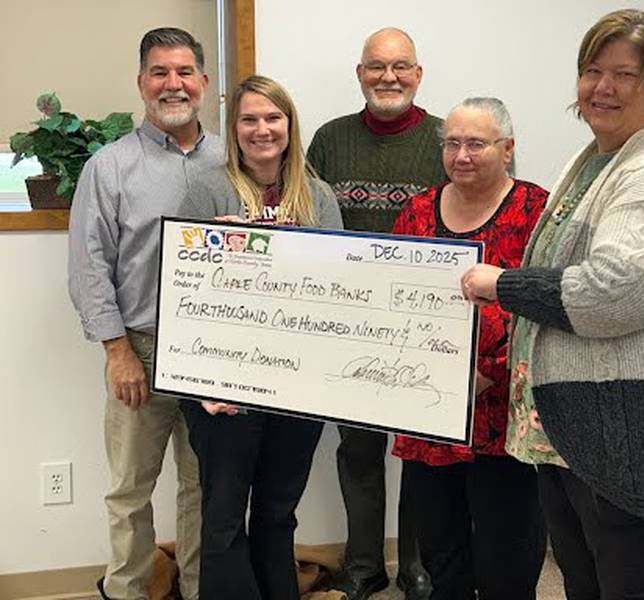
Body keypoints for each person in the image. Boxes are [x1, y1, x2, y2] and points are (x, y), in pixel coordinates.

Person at [461, 9, 644, 600]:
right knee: (587, 584)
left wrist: (505, 284)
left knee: (640, 589)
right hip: (582, 433)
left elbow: (622, 291)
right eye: (592, 70)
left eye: (625, 74)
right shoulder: (594, 158)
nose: (603, 87)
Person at [68, 27, 223, 600]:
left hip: (216, 352)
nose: (172, 84)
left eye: (184, 72)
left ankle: (201, 589)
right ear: (141, 84)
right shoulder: (109, 168)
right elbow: (88, 266)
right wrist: (117, 352)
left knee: (205, 487)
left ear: (203, 81)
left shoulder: (231, 159)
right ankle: (128, 590)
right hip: (142, 347)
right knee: (130, 490)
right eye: (159, 73)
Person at [178, 74, 343, 600]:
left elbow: (340, 290)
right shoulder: (207, 190)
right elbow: (183, 291)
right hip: (225, 384)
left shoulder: (318, 197)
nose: (261, 129)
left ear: (290, 126)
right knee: (224, 514)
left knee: (277, 511)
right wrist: (217, 250)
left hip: (297, 384)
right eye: (249, 119)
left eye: (273, 118)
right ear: (234, 129)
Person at [306, 26, 444, 600]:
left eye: (401, 66)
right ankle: (364, 565)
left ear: (418, 74)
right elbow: (307, 220)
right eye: (377, 66)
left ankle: (417, 566)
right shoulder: (329, 140)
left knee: (421, 455)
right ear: (360, 74)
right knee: (358, 451)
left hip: (424, 327)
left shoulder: (446, 139)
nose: (389, 77)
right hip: (350, 327)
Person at [392, 97, 548, 600]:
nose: (461, 155)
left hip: (504, 418)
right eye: (452, 143)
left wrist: (488, 373)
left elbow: (546, 308)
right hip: (430, 415)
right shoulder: (417, 211)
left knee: (509, 556)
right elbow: (394, 300)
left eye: (476, 144)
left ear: (508, 149)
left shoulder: (537, 213)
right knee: (442, 554)